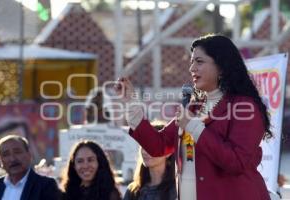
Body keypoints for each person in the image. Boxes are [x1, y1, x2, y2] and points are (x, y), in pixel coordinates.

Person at [114, 34, 272, 200]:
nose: (192, 68)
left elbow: (237, 162)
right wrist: (131, 103)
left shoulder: (245, 107)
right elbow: (158, 146)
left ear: (221, 66)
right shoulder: (194, 107)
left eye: (199, 61)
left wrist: (195, 129)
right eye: (192, 62)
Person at [0, 135, 60, 200]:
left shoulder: (45, 185)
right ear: (0, 160)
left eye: (17, 152)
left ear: (29, 154)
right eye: (6, 154)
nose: (12, 159)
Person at [123, 122, 176, 200]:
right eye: (143, 145)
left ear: (168, 152)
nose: (145, 151)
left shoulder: (177, 190)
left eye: (152, 146)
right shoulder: (133, 191)